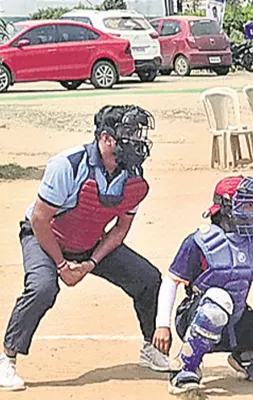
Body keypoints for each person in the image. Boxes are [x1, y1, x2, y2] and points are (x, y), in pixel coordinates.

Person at [0, 105, 169, 391]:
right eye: (127, 134)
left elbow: (119, 230)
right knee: (42, 287)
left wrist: (90, 263)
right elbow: (40, 219)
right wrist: (62, 266)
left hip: (90, 242)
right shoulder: (68, 165)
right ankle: (7, 359)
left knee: (149, 279)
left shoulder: (134, 177)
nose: (137, 141)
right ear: (106, 138)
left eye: (138, 133)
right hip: (45, 238)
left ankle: (150, 347)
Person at [152, 176, 253, 394]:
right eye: (246, 204)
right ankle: (185, 367)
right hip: (196, 318)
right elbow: (171, 280)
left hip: (237, 321)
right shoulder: (201, 242)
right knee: (218, 301)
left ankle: (246, 356)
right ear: (226, 208)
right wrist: (161, 324)